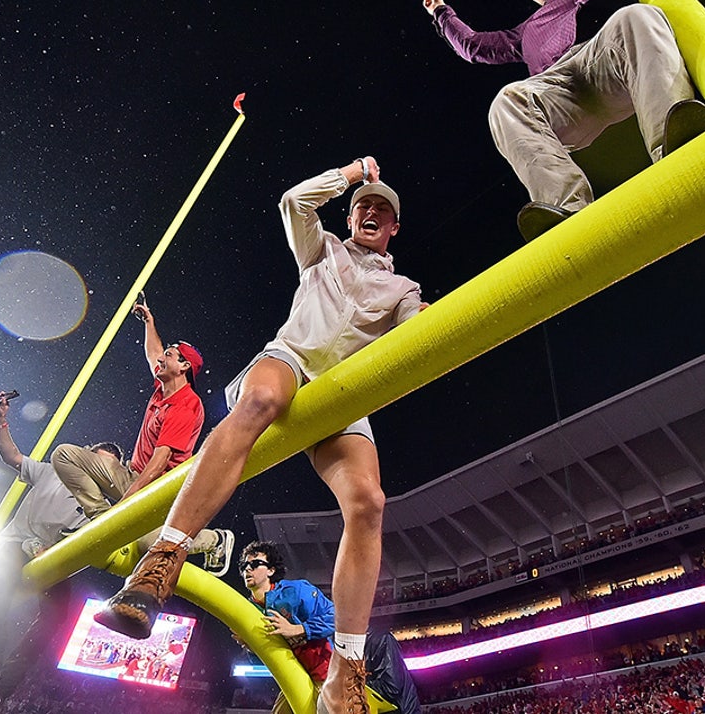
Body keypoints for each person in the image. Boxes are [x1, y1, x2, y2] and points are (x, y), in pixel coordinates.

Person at [93, 156, 424, 714]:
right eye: (363, 205)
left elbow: (420, 329)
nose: (370, 210)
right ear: (350, 218)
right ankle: (161, 563)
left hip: (344, 390)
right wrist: (353, 173)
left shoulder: (403, 286)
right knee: (263, 399)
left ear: (394, 227)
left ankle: (345, 667)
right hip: (290, 361)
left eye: (382, 209)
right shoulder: (324, 250)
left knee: (368, 502)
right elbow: (295, 201)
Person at [420, 0, 705, 241]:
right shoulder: (526, 30)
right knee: (506, 101)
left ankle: (675, 142)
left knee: (636, 15)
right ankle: (566, 207)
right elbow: (475, 46)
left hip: (608, 59)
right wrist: (441, 13)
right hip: (563, 91)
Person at [50, 298, 234, 575]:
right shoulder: (163, 387)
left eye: (169, 356)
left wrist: (124, 507)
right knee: (63, 454)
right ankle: (100, 519)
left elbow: (159, 463)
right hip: (133, 474)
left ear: (184, 367)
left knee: (149, 542)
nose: (161, 359)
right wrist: (149, 321)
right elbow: (153, 353)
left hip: (156, 490)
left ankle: (215, 539)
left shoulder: (187, 405)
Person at [0, 390, 92, 712]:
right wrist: (0, 422)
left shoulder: (100, 504)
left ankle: (2, 686)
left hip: (50, 558)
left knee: (59, 616)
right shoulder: (53, 471)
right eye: (95, 458)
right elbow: (12, 456)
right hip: (16, 544)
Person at [237, 541, 421, 714]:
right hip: (295, 676)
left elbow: (337, 617)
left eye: (254, 564)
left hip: (325, 673)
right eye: (244, 566)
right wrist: (251, 649)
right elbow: (266, 662)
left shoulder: (296, 591)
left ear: (271, 570)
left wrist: (300, 629)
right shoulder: (247, 609)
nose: (247, 569)